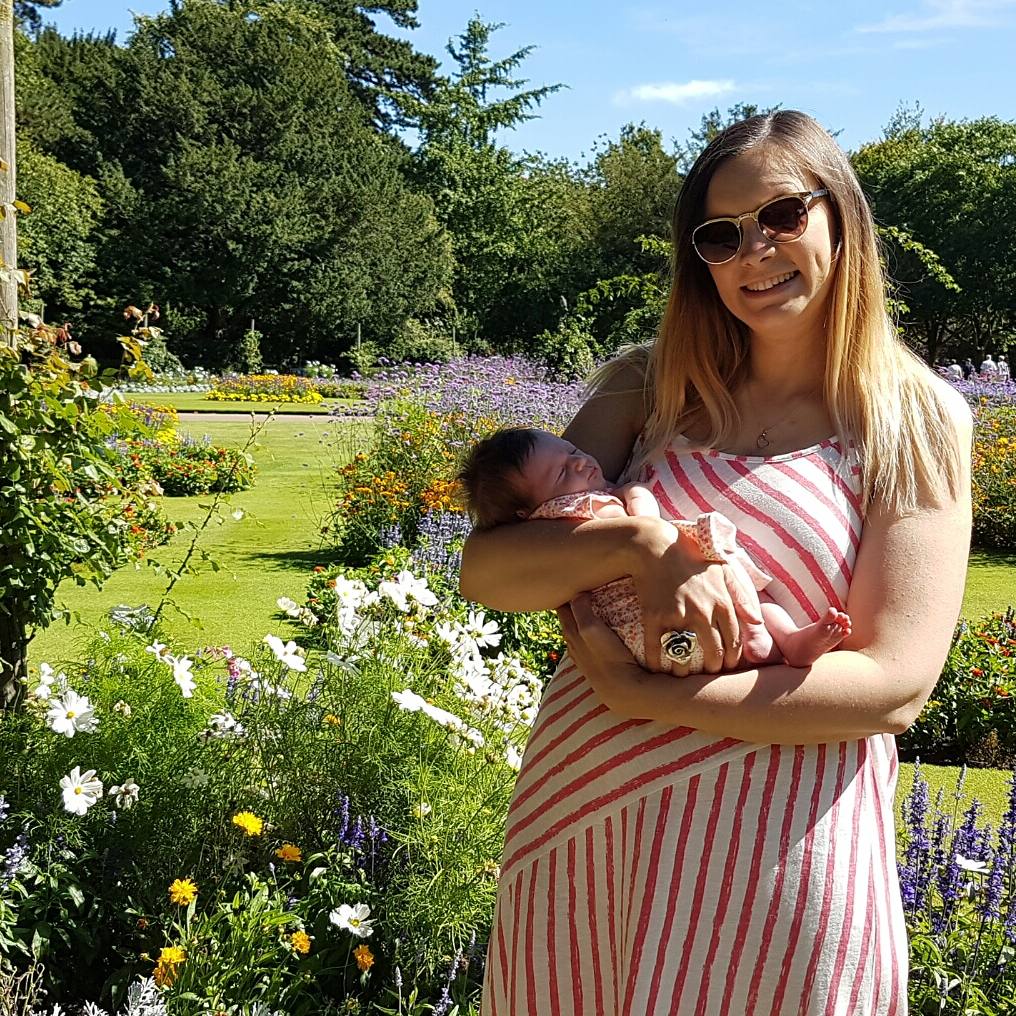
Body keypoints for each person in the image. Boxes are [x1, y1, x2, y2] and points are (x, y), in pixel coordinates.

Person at [460, 110, 971, 1014]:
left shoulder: (915, 418)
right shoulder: (647, 386)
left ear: (839, 216)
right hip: (589, 820)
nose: (754, 252)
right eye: (720, 235)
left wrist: (646, 695)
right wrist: (644, 544)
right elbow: (488, 573)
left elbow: (893, 685)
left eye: (781, 215)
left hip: (781, 846)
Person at [458, 425, 853, 671]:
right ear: (528, 512)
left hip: (640, 646)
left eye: (574, 452)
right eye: (562, 472)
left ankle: (776, 641)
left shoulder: (550, 525)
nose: (579, 463)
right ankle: (770, 635)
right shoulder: (574, 510)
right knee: (729, 566)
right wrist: (638, 500)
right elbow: (645, 523)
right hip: (655, 613)